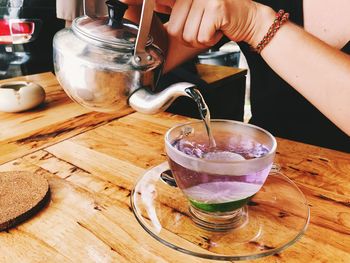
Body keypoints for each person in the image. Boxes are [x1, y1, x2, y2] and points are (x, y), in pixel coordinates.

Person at [57, 0, 350, 152]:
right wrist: (137, 7)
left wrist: (254, 23)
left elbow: (248, 18)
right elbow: (159, 57)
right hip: (263, 167)